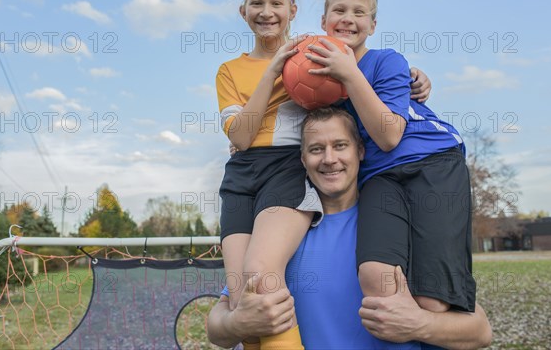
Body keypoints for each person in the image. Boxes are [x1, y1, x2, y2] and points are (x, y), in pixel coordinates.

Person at [215, 0, 432, 349]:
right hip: (242, 173)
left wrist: (410, 77)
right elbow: (242, 136)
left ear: (293, 10)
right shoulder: (230, 70)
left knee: (260, 272)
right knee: (241, 303)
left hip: (285, 167)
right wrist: (271, 72)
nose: (267, 11)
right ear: (242, 10)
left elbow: (356, 82)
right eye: (257, 3)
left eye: (276, 3)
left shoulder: (311, 52)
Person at [207, 107, 492, 349]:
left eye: (340, 145)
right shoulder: (278, 234)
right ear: (303, 160)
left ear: (361, 151)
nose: (329, 159)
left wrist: (421, 325)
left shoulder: (397, 226)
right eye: (316, 149)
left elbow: (480, 330)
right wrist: (236, 323)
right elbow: (216, 326)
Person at [306, 0, 476, 314]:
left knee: (432, 300)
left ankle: (443, 328)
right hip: (378, 176)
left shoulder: (387, 61)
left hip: (432, 162)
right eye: (339, 10)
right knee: (375, 278)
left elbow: (388, 137)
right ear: (323, 20)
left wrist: (351, 74)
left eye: (359, 12)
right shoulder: (312, 75)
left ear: (372, 24)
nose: (348, 18)